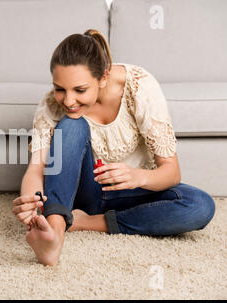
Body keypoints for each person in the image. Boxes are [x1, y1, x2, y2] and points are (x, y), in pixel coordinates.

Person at [11, 29, 215, 267]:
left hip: (134, 193)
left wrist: (137, 176)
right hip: (85, 191)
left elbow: (171, 172)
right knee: (70, 124)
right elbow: (37, 169)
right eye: (59, 88)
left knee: (199, 205)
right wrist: (31, 201)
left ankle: (84, 222)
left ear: (103, 78)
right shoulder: (51, 106)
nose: (68, 100)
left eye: (80, 90)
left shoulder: (139, 87)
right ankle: (54, 233)